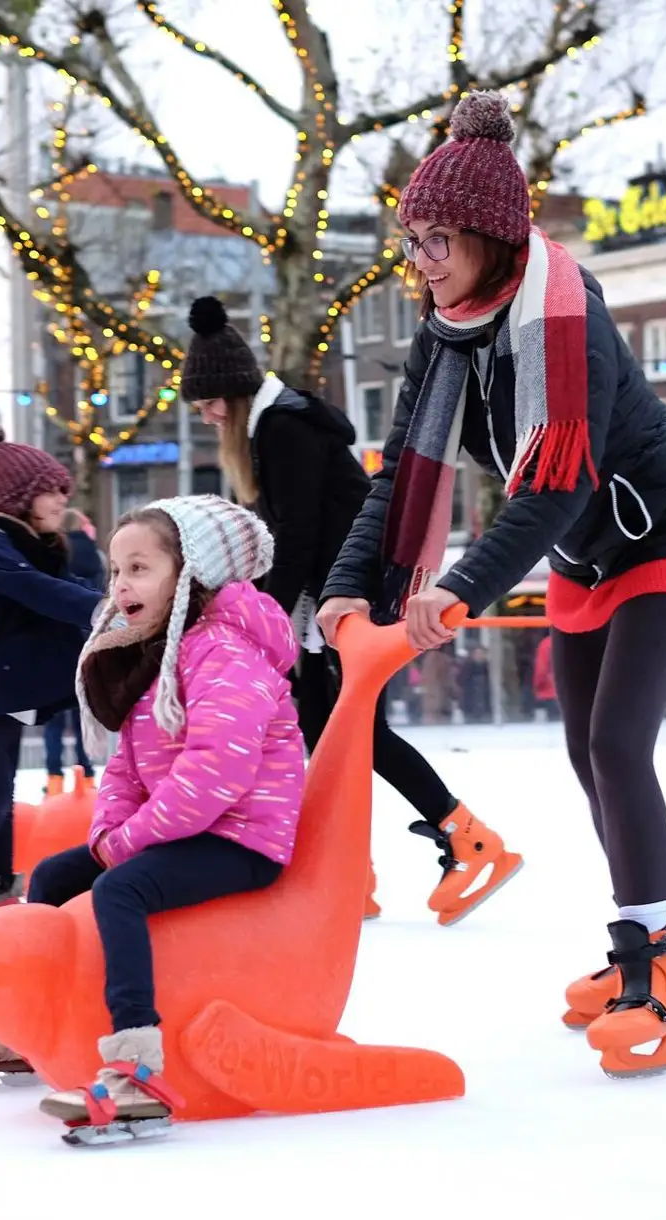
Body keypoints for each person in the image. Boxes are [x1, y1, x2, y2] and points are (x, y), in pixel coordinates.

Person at [316, 91, 666, 1079]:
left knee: (616, 741)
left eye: (436, 240)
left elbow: (559, 477)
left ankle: (647, 975)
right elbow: (403, 471)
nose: (418, 260)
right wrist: (346, 586)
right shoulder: (448, 328)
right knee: (585, 755)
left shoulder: (562, 314)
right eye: (410, 239)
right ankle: (665, 934)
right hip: (582, 557)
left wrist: (458, 587)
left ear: (493, 237)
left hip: (665, 533)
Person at [0, 497, 301, 1136]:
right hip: (180, 829)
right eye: (114, 571)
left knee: (120, 890)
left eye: (139, 568)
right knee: (49, 878)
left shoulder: (227, 653)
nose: (120, 585)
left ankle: (138, 1066)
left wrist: (126, 844)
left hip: (240, 837)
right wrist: (107, 832)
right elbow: (126, 765)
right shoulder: (152, 651)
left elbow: (216, 772)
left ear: (191, 576)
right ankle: (25, 1031)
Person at [183, 296, 519, 924]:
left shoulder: (282, 430)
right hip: (334, 598)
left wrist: (264, 618)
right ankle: (350, 868)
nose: (204, 419)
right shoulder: (271, 428)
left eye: (205, 406)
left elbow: (302, 537)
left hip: (356, 596)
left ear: (229, 397)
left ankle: (468, 840)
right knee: (323, 731)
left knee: (358, 731)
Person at [0, 420, 102, 931]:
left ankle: (1, 889)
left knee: (2, 790)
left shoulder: (28, 550)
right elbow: (43, 594)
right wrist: (110, 611)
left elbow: (62, 586)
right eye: (50, 491)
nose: (60, 501)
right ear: (18, 500)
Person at [42, 507, 104, 791]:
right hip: (87, 643)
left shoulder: (52, 555)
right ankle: (87, 774)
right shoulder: (96, 555)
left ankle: (54, 777)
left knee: (53, 718)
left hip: (55, 645)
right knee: (83, 715)